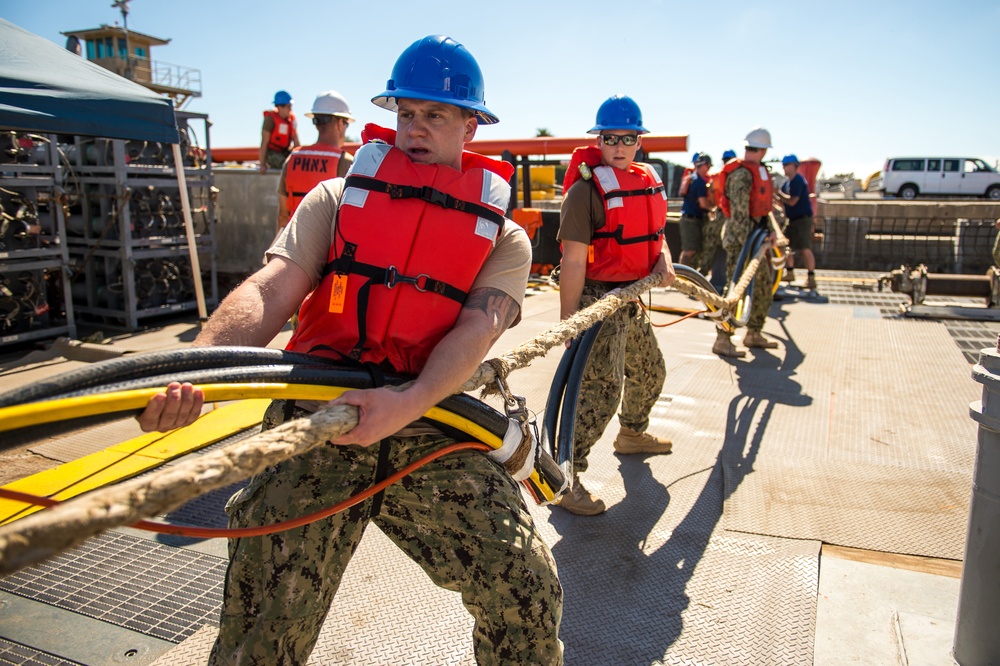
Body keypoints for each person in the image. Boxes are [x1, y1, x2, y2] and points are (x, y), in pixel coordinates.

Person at [138, 35, 563, 665]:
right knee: (263, 626)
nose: (415, 129)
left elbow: (478, 328)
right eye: (406, 113)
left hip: (431, 422)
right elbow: (270, 289)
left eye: (435, 115)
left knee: (525, 583)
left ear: (471, 124)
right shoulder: (337, 198)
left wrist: (409, 401)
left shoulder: (504, 237)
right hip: (319, 414)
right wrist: (199, 369)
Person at [555, 94, 677, 516]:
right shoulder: (585, 192)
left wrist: (665, 258)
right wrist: (569, 323)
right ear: (599, 140)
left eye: (628, 138)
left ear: (639, 142)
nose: (620, 146)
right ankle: (565, 480)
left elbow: (656, 231)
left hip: (630, 298)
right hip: (598, 299)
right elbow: (572, 261)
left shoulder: (646, 180)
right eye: (611, 138)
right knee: (599, 394)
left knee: (650, 371)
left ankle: (632, 434)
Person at [712, 127, 778, 357]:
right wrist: (747, 244)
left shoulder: (758, 171)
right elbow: (739, 214)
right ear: (762, 150)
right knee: (735, 291)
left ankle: (754, 333)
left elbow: (763, 210)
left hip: (756, 240)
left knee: (761, 289)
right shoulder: (741, 175)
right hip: (742, 243)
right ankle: (723, 338)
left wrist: (768, 232)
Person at [277, 90, 356, 231]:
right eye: (346, 124)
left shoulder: (292, 158)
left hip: (293, 244)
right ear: (340, 123)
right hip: (326, 248)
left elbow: (283, 214)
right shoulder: (347, 162)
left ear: (316, 123)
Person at [775, 154, 817, 290]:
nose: (784, 168)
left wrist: (777, 194)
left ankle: (811, 278)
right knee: (786, 246)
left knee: (805, 248)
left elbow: (792, 201)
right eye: (783, 165)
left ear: (795, 166)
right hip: (792, 220)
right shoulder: (787, 183)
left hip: (802, 220)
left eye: (787, 165)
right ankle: (790, 273)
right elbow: (782, 202)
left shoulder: (798, 181)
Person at [678, 152, 714, 267]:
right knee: (689, 251)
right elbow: (703, 203)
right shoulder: (699, 182)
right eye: (708, 166)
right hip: (692, 221)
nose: (708, 169)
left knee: (689, 250)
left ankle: (685, 277)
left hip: (688, 219)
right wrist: (713, 208)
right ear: (705, 165)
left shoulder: (692, 178)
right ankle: (681, 277)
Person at [259, 90, 300, 174]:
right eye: (288, 107)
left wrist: (299, 158)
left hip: (285, 151)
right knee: (286, 166)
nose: (290, 109)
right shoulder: (270, 120)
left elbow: (296, 141)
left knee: (297, 165)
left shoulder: (291, 120)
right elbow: (264, 143)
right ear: (279, 107)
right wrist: (262, 164)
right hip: (272, 152)